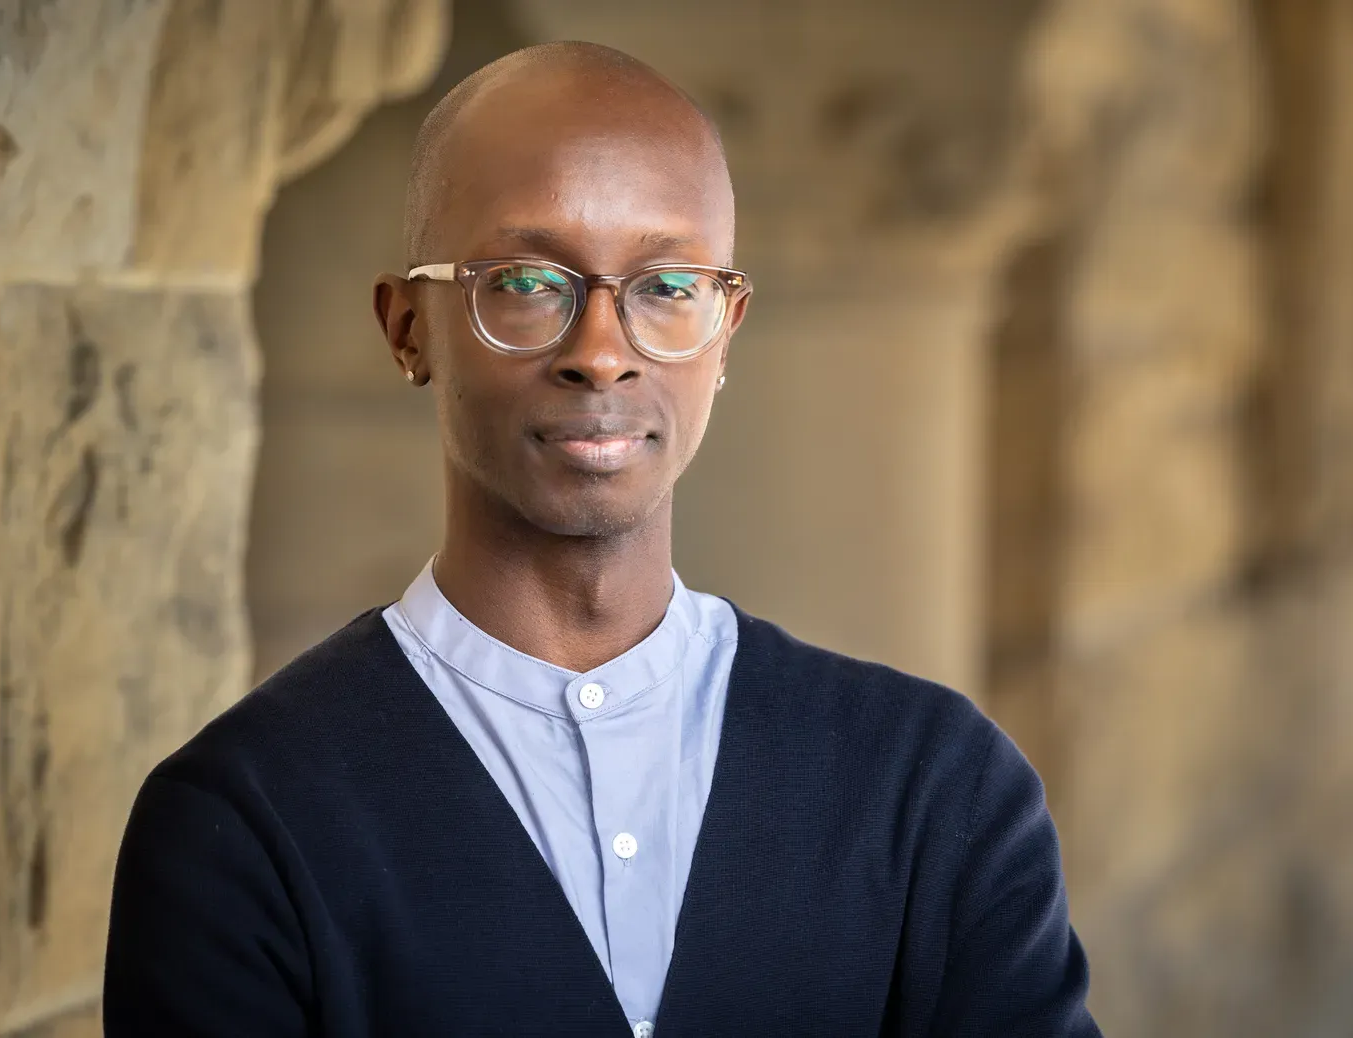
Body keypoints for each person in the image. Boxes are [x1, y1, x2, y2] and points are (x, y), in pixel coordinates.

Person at [103, 41, 1099, 1038]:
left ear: (725, 333)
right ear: (408, 328)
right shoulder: (240, 827)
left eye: (667, 287)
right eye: (529, 281)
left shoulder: (936, 790)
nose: (600, 354)